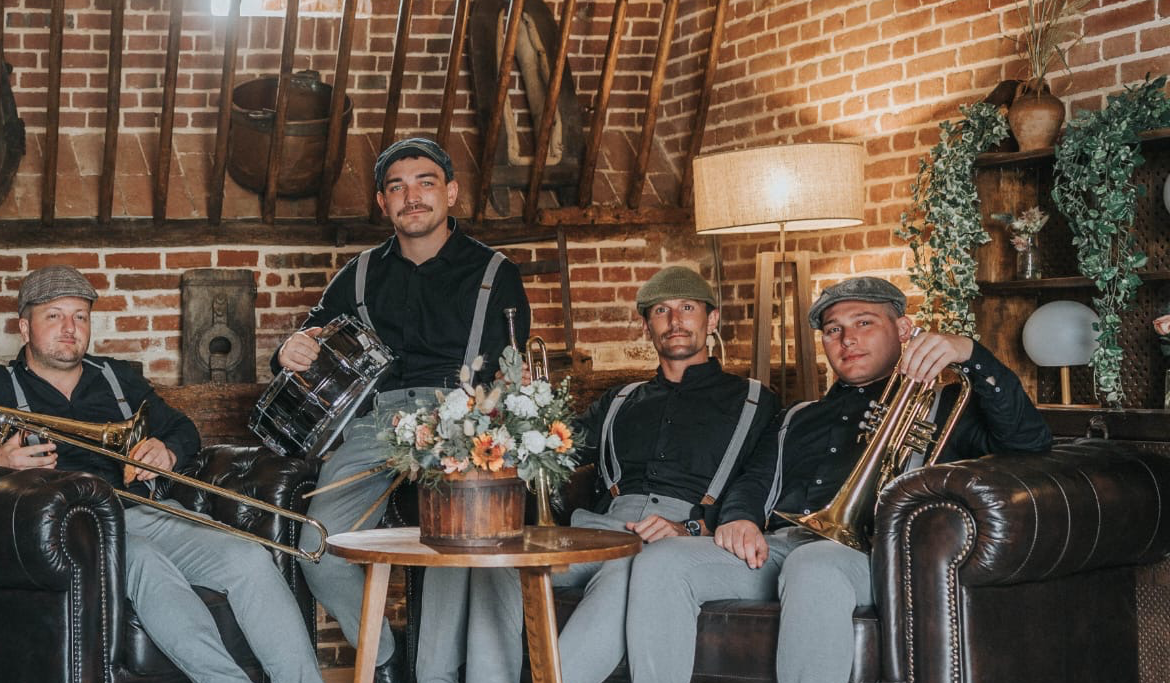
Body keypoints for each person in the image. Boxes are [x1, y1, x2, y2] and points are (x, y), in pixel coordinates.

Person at [0, 265, 323, 683]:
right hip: (69, 528)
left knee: (250, 559)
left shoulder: (116, 377)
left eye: (80, 316)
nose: (70, 327)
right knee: (147, 564)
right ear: (24, 327)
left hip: (146, 509)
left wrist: (166, 450)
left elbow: (182, 429)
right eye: (54, 316)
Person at [622, 276, 1053, 683]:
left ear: (903, 329)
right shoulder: (796, 416)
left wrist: (970, 353)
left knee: (813, 565)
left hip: (871, 553)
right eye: (833, 330)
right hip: (782, 545)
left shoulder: (943, 404)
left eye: (864, 323)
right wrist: (739, 517)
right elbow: (752, 480)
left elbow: (1030, 441)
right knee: (662, 560)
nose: (847, 339)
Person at [274, 137, 530, 683]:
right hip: (379, 421)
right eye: (397, 187)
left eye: (425, 183)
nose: (411, 197)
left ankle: (438, 672)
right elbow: (312, 329)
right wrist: (291, 347)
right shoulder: (359, 273)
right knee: (314, 542)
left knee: (459, 535)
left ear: (452, 193)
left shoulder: (495, 271)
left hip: (464, 419)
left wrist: (485, 431)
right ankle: (388, 657)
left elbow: (509, 378)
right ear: (382, 202)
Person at [462, 266, 784, 682]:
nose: (675, 321)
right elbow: (554, 448)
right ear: (647, 325)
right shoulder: (620, 399)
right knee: (500, 566)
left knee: (624, 572)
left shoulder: (755, 401)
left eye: (687, 308)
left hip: (677, 534)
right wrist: (515, 400)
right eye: (661, 311)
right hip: (597, 528)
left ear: (712, 319)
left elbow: (757, 483)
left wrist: (693, 528)